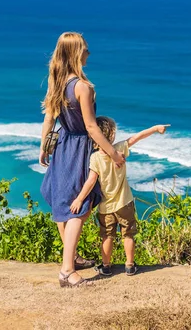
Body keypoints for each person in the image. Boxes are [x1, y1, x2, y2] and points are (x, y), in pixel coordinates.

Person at [39, 32, 125, 288]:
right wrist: (113, 153)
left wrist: (44, 146)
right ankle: (67, 271)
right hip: (78, 147)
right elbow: (91, 127)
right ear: (76, 53)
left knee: (63, 203)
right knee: (80, 207)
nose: (88, 53)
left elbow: (49, 118)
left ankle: (70, 258)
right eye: (85, 49)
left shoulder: (57, 81)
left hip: (63, 145)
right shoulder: (82, 87)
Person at [70, 116, 170, 276]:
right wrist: (155, 128)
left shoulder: (95, 157)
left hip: (106, 207)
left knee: (107, 236)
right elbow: (137, 137)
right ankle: (130, 265)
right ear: (112, 135)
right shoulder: (120, 149)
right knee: (128, 235)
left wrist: (79, 199)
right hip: (125, 202)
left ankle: (106, 266)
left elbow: (90, 182)